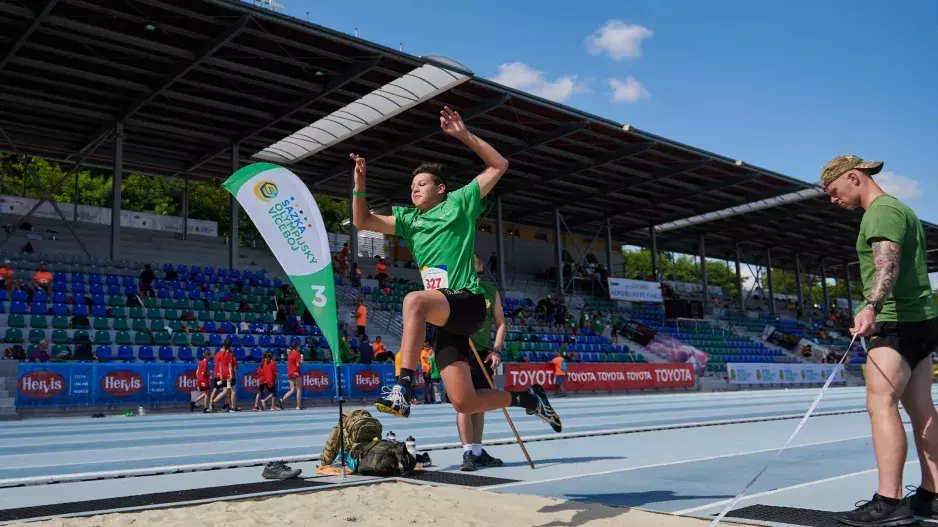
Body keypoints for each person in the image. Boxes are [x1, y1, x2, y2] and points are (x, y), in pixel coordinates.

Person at [350, 106, 560, 433]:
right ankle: (529, 400)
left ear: (441, 188)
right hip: (445, 315)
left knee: (414, 301)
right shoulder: (409, 219)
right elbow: (363, 221)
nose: (414, 189)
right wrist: (359, 185)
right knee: (464, 401)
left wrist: (463, 135)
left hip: (468, 302)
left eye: (422, 184)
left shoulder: (459, 203)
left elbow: (500, 165)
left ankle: (402, 389)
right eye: (412, 186)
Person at [821, 154, 938, 526]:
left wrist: (871, 306)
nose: (833, 199)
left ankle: (888, 503)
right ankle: (932, 496)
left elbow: (887, 262)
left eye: (835, 191)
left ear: (854, 178)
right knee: (921, 409)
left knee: (880, 404)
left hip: (894, 322)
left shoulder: (880, 212)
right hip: (921, 320)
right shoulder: (901, 209)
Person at [458, 253, 507, 472]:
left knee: (480, 404)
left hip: (484, 353)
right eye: (470, 262)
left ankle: (478, 451)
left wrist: (496, 350)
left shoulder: (489, 291)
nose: (474, 265)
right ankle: (467, 451)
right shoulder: (455, 289)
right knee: (464, 403)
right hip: (460, 352)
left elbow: (501, 322)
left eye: (477, 262)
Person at [208, 339, 233, 413]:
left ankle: (227, 405)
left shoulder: (218, 353)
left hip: (219, 373)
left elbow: (218, 364)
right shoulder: (229, 354)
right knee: (226, 390)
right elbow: (230, 366)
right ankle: (213, 402)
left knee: (225, 390)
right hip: (226, 375)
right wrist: (230, 375)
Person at [281, 342, 304, 410]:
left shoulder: (290, 354)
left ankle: (281, 400)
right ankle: (298, 405)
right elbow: (298, 365)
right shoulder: (297, 354)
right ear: (296, 347)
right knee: (299, 389)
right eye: (299, 346)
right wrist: (302, 360)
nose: (299, 348)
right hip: (296, 372)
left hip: (290, 373)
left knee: (292, 389)